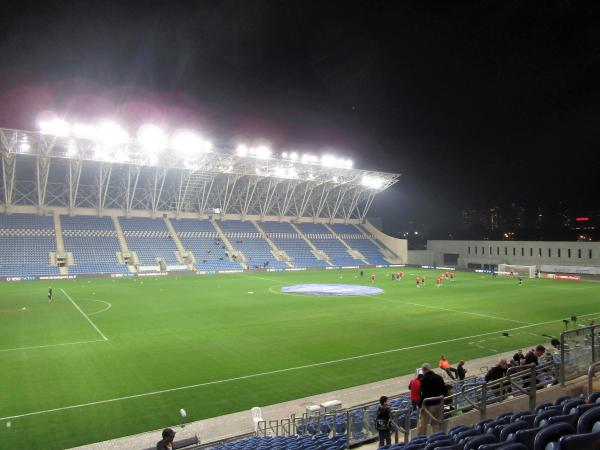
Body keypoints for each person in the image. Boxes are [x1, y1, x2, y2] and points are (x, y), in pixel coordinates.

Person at [418, 363, 448, 435]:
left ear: (423, 370)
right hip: (438, 404)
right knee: (435, 424)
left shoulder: (424, 379)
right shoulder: (439, 377)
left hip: (427, 406)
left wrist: (419, 405)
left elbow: (423, 394)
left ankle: (422, 440)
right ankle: (436, 439)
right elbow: (445, 392)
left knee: (423, 425)